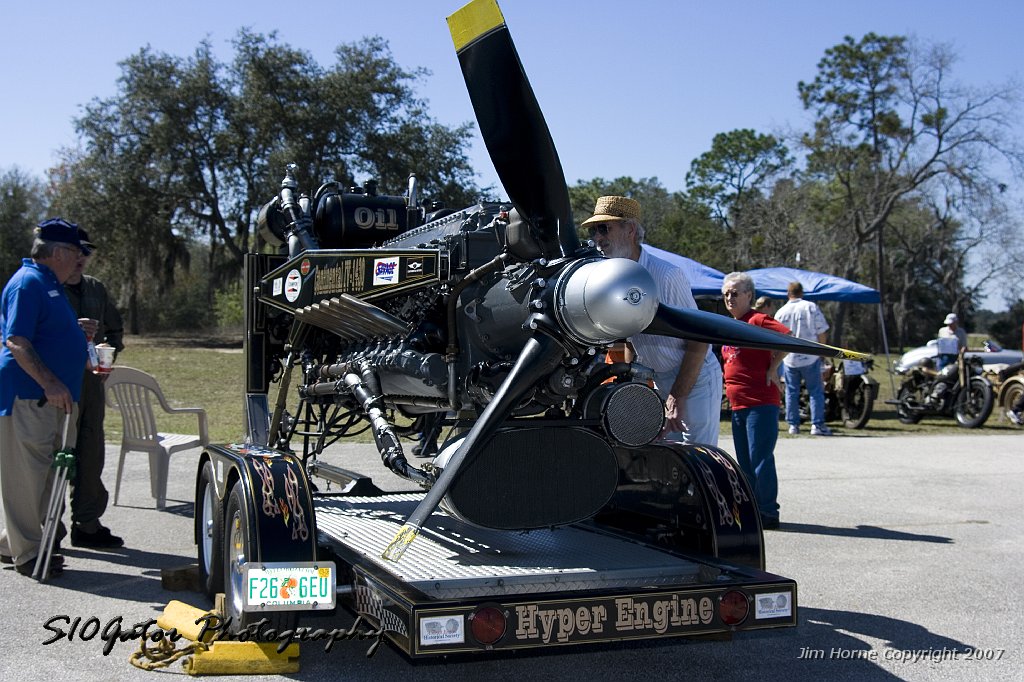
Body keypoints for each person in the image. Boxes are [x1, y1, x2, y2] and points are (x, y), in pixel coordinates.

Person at [582, 195, 723, 446]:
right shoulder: (614, 280)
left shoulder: (667, 275)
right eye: (594, 230)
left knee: (699, 457)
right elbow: (628, 341)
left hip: (695, 377)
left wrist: (677, 397)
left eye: (604, 228)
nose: (597, 238)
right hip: (661, 379)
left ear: (631, 230)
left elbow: (699, 340)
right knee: (666, 458)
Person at [0, 218, 91, 578]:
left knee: (47, 474)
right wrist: (50, 383)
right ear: (58, 252)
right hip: (30, 396)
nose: (79, 260)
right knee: (27, 477)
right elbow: (17, 341)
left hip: (53, 400)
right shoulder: (28, 283)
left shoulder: (50, 283)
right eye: (76, 253)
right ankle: (28, 555)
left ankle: (14, 544)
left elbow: (46, 334)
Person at [63, 229, 125, 548]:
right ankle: (45, 528)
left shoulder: (96, 289)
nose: (82, 258)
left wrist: (107, 351)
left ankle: (87, 524)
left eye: (87, 252)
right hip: (58, 384)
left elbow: (115, 331)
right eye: (77, 251)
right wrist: (71, 331)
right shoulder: (48, 289)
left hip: (91, 384)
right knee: (56, 453)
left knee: (91, 452)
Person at [720, 272, 789, 530]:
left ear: (749, 295)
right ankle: (752, 509)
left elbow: (787, 337)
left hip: (760, 401)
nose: (729, 298)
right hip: (738, 404)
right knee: (745, 462)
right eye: (726, 293)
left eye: (735, 293)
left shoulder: (757, 319)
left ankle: (768, 511)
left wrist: (773, 367)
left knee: (760, 459)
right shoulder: (730, 324)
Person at [774, 281, 832, 436]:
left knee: (792, 392)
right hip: (810, 356)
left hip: (789, 358)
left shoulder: (781, 312)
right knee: (815, 391)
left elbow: (776, 336)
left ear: (788, 293)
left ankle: (793, 425)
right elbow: (822, 331)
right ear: (802, 292)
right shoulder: (810, 307)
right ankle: (817, 425)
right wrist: (823, 352)